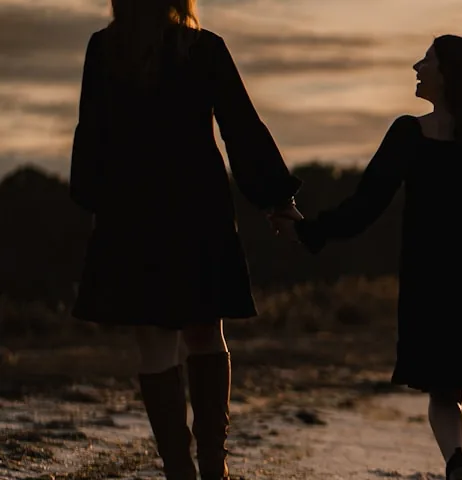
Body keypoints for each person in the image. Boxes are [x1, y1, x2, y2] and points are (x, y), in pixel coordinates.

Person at [291, 35, 462, 480]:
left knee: (444, 389)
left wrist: (308, 229)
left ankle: (455, 461)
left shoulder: (409, 133)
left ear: (449, 74)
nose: (416, 66)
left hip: (430, 273)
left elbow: (364, 206)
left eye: (427, 60)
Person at [69, 1, 304, 478]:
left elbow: (91, 131)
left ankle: (180, 469)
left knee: (154, 343)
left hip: (130, 210)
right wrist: (277, 198)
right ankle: (213, 466)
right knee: (204, 332)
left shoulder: (105, 48)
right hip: (198, 207)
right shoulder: (204, 47)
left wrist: (93, 199)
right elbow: (241, 127)